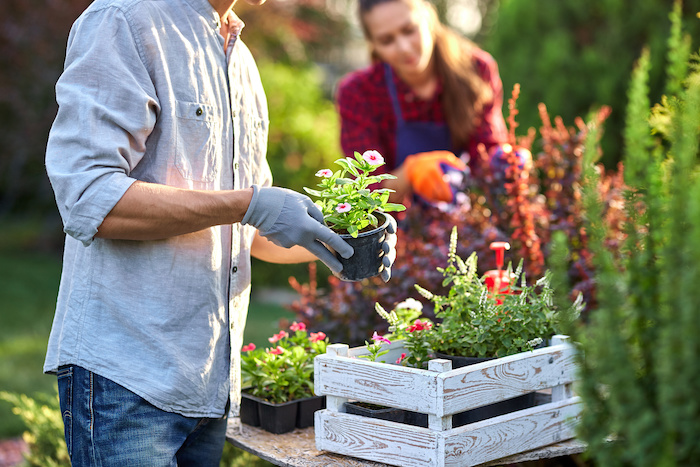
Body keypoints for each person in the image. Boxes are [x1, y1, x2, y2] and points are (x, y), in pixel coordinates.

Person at [43, 0, 396, 464]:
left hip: (208, 387)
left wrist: (337, 240)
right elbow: (89, 196)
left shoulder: (240, 59)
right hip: (127, 380)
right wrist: (248, 204)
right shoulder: (123, 21)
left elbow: (248, 233)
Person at [336, 0, 509, 206]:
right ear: (373, 44)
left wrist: (506, 163)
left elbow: (486, 155)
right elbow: (366, 194)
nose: (404, 48)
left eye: (409, 30)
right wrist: (409, 173)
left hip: (466, 214)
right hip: (399, 229)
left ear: (429, 18)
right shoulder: (358, 93)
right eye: (386, 40)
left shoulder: (476, 70)